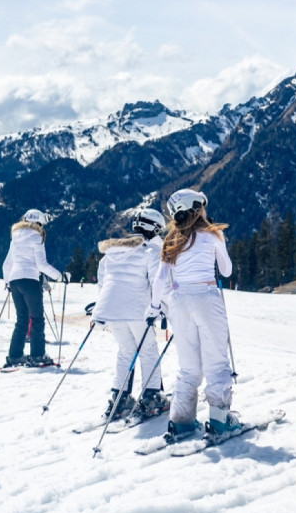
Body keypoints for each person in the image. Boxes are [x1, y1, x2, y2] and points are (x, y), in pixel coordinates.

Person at [147, 188, 236, 441]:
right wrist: (219, 245)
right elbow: (227, 271)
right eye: (203, 206)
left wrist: (154, 307)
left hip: (179, 301)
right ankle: (220, 422)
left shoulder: (171, 240)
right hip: (206, 297)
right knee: (217, 362)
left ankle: (181, 421)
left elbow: (160, 279)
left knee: (188, 367)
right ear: (196, 208)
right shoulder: (213, 234)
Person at [91, 208, 170, 420]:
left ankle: (119, 400)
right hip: (138, 311)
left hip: (111, 311)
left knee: (126, 351)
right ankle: (152, 396)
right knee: (148, 350)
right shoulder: (151, 251)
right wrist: (163, 308)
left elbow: (103, 282)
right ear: (153, 228)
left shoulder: (113, 252)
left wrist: (102, 309)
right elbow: (158, 282)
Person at [1, 209, 67, 368]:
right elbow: (41, 265)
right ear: (39, 223)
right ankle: (37, 355)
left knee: (21, 320)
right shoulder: (37, 237)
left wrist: (7, 283)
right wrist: (60, 277)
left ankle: (15, 356)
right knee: (37, 319)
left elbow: (7, 264)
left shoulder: (15, 238)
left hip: (15, 281)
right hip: (30, 280)